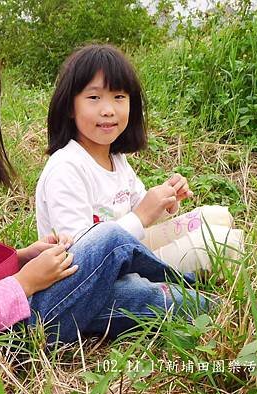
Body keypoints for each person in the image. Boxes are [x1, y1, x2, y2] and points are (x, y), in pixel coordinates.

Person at [0, 30, 209, 345]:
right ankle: (201, 297)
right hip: (10, 332)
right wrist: (24, 283)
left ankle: (188, 289)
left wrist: (19, 259)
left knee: (122, 281)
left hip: (3, 305)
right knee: (111, 246)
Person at [36, 44, 244, 274]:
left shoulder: (116, 158)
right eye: (94, 97)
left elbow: (142, 210)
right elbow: (80, 255)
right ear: (70, 107)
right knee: (223, 244)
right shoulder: (66, 168)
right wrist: (141, 215)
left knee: (216, 216)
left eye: (118, 97)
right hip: (100, 276)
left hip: (129, 251)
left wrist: (167, 200)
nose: (108, 110)